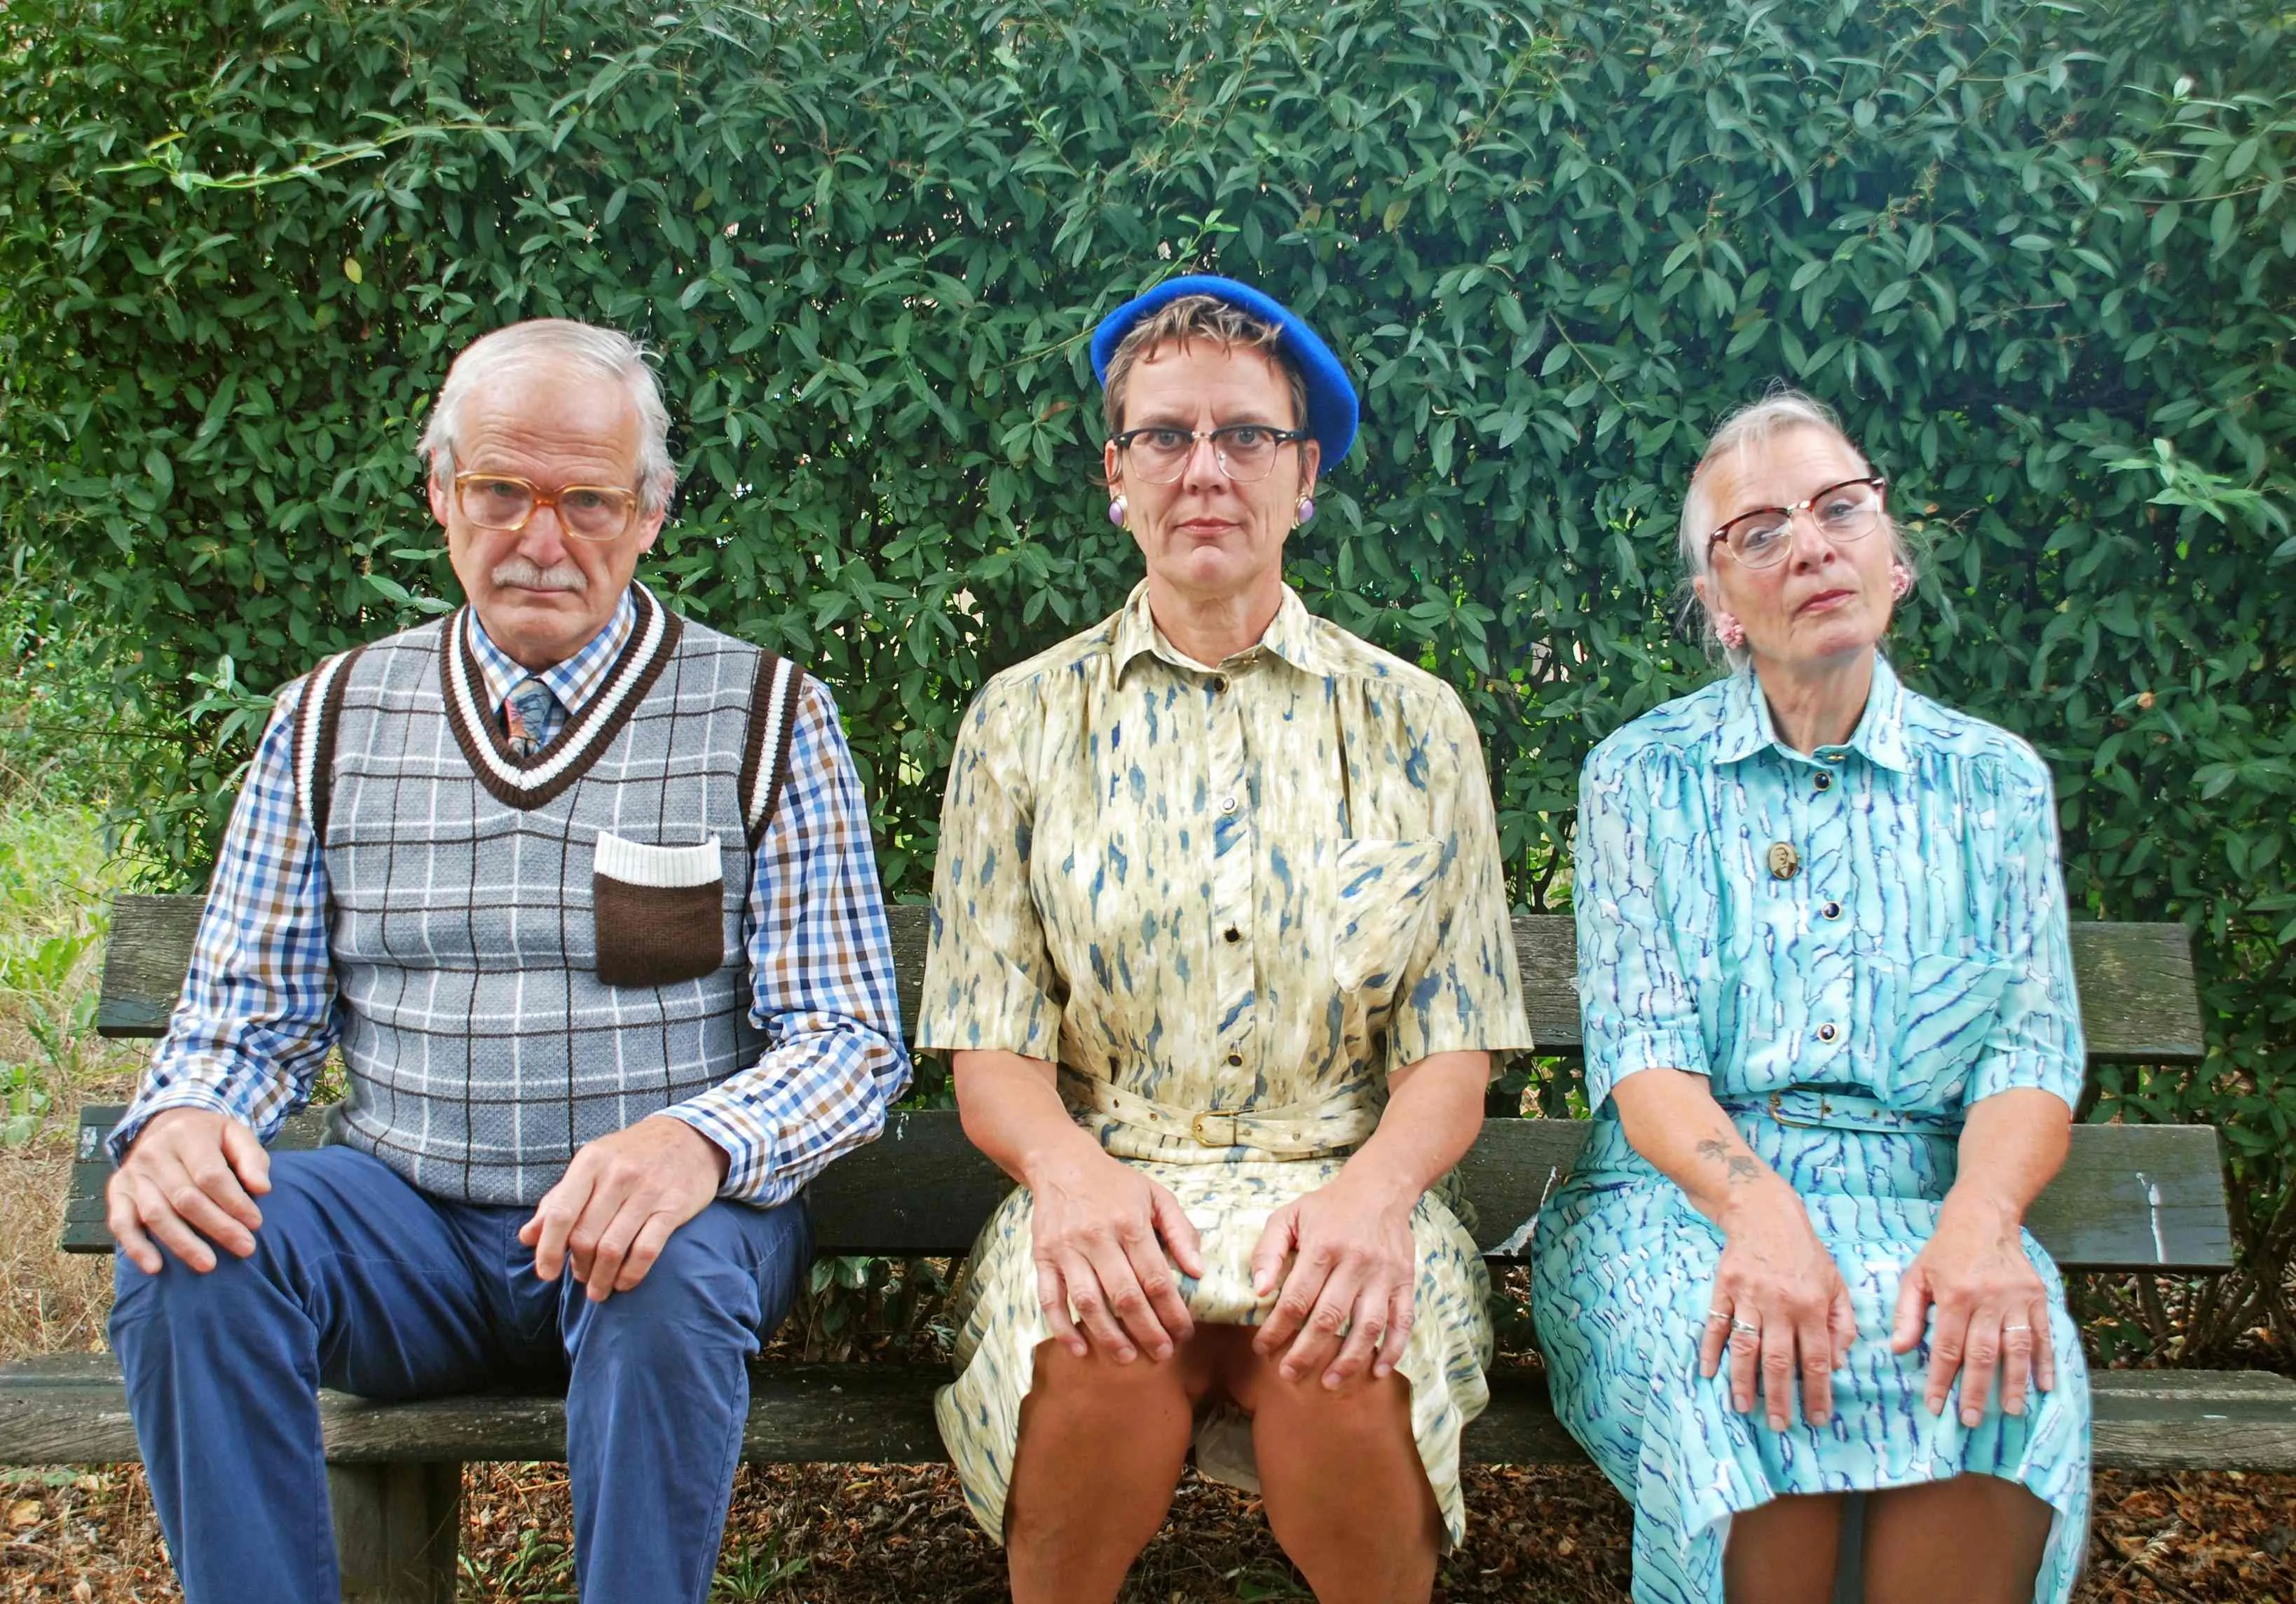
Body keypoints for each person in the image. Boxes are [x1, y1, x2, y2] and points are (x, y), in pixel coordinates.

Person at [103, 317, 910, 1604]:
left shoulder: (767, 716)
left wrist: (695, 1142)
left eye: (588, 499)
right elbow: (245, 1016)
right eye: (500, 492)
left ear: (650, 513)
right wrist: (188, 1117)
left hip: (658, 1233)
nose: (542, 538)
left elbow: (851, 1041)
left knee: (671, 1267)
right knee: (191, 1256)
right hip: (406, 1232)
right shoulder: (329, 716)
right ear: (442, 495)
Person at [915, 275, 1531, 1604]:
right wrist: (1070, 1183)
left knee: (1346, 1364)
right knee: (1094, 1354)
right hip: (1113, 1178)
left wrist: (1375, 1201)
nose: (1206, 470)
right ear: (1115, 474)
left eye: (1246, 436)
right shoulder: (1020, 724)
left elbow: (1456, 1045)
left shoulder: (1417, 726)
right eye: (1166, 436)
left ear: (1303, 477)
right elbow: (990, 1043)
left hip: (1347, 1183)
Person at [1530, 389, 2091, 1603]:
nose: (1813, 546)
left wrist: (1985, 1223)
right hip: (1680, 1205)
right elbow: (1646, 1060)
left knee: (2007, 1369)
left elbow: (2026, 1058)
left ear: (1893, 555)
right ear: (1720, 606)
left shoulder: (1993, 784)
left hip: (1934, 1204)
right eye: (1762, 531)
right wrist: (1763, 1217)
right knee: (1743, 1363)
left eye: (1842, 509)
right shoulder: (1643, 777)